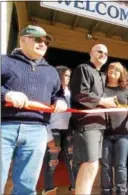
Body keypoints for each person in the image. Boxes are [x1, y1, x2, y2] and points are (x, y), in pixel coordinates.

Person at [1, 25, 67, 195]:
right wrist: (6, 94)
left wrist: (60, 102)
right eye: (38, 39)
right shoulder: (4, 61)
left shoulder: (51, 72)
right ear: (23, 39)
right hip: (4, 127)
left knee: (27, 186)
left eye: (45, 41)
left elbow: (57, 95)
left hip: (37, 132)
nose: (43, 43)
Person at [70, 44, 117, 195]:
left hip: (99, 124)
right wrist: (104, 101)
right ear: (91, 53)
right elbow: (80, 94)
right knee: (89, 164)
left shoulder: (102, 75)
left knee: (93, 165)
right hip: (86, 123)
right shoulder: (83, 69)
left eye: (106, 53)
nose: (103, 54)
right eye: (100, 51)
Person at [101, 62, 128, 195]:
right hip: (104, 133)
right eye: (110, 68)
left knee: (121, 165)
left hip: (123, 134)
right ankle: (106, 191)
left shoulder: (126, 90)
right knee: (105, 165)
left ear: (121, 74)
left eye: (117, 70)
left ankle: (121, 191)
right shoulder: (101, 89)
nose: (113, 71)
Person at [43, 66, 76, 195]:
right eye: (61, 75)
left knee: (72, 161)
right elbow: (43, 114)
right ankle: (49, 189)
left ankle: (75, 188)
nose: (64, 78)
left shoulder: (72, 93)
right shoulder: (50, 91)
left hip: (69, 130)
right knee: (52, 162)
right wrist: (48, 135)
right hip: (54, 129)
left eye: (67, 75)